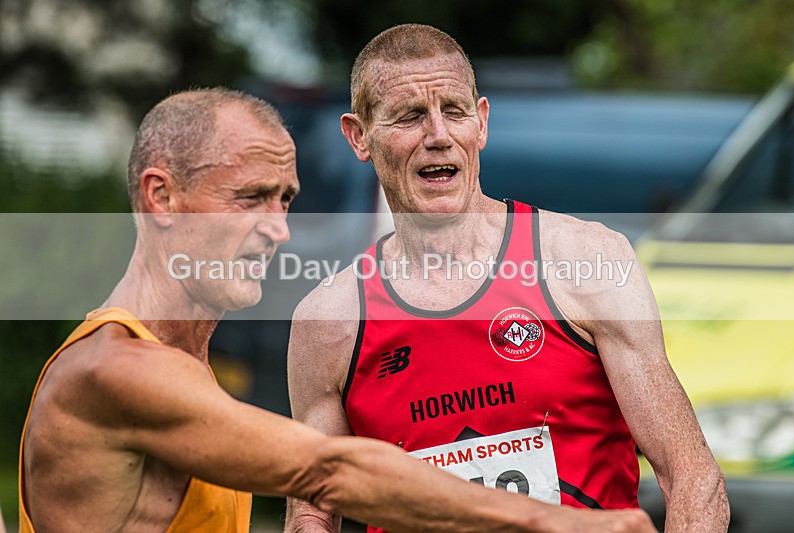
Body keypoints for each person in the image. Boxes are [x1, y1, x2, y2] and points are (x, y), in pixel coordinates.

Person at [18, 88, 655, 533]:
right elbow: (328, 470)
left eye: (285, 200)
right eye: (250, 199)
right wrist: (558, 523)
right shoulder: (116, 369)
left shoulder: (182, 367)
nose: (279, 231)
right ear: (162, 197)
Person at [286, 24, 729, 533]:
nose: (438, 136)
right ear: (359, 136)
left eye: (454, 111)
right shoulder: (329, 321)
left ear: (482, 122)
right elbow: (313, 513)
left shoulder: (582, 261)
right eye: (409, 116)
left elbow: (693, 477)